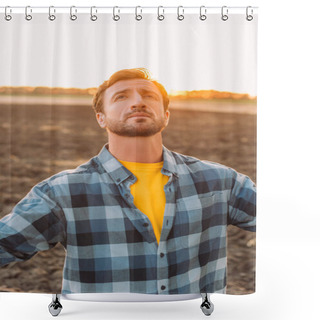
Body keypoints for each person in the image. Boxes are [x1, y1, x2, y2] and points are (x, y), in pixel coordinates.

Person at [0, 68, 256, 295]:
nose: (137, 102)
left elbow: (287, 224)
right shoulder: (62, 192)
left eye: (149, 96)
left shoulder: (221, 181)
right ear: (101, 118)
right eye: (121, 96)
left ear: (165, 116)